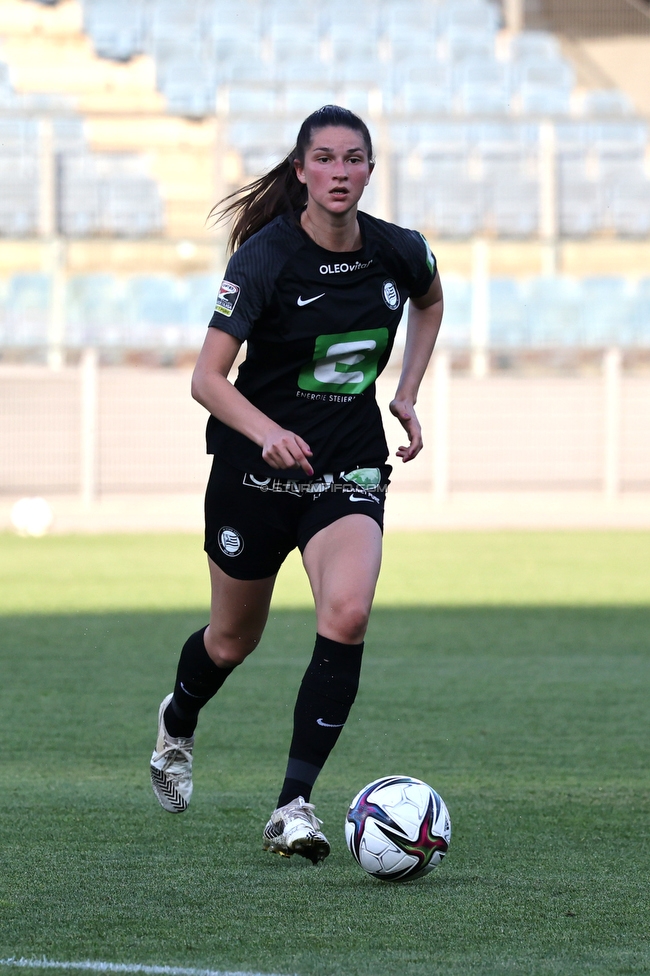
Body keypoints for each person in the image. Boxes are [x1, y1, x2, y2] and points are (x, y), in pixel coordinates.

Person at [150, 105, 443, 864]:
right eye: (325, 159)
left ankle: (293, 804)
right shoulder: (264, 258)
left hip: (345, 467)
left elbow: (430, 299)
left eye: (354, 159)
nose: (340, 172)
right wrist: (267, 433)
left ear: (370, 171)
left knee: (346, 615)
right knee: (232, 638)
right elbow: (206, 380)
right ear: (303, 170)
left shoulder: (400, 250)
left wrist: (406, 390)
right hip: (253, 474)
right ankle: (177, 723)